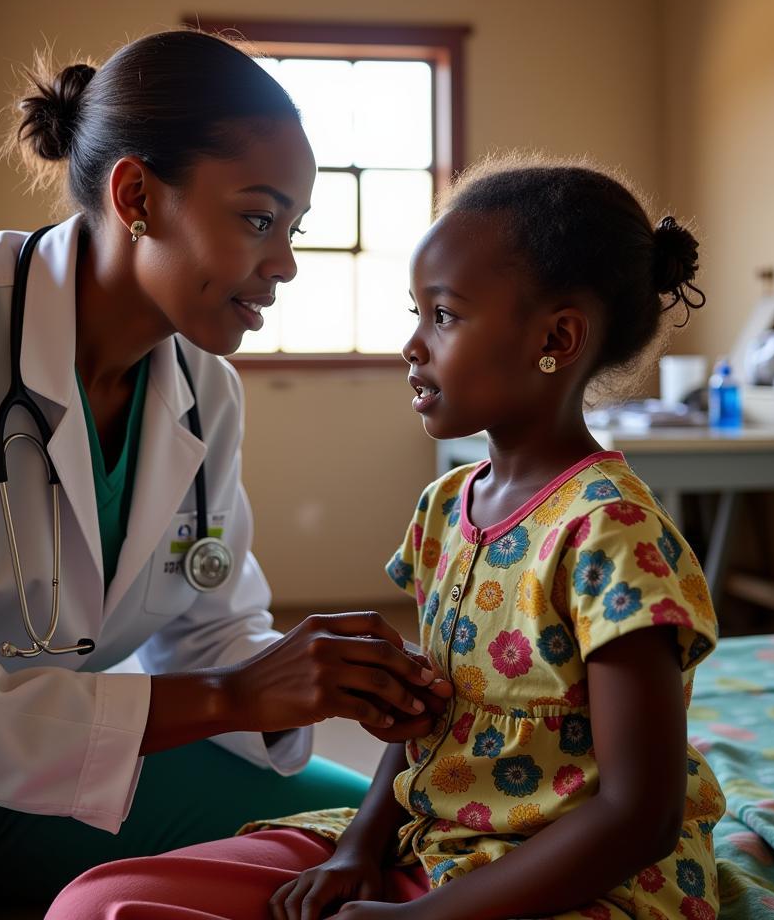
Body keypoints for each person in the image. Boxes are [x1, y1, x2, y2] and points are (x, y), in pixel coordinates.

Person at [0, 29, 453, 919]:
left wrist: (329, 679)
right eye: (259, 219)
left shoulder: (203, 391)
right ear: (137, 194)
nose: (286, 264)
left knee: (409, 838)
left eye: (293, 229)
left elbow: (211, 636)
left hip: (43, 774)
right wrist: (235, 693)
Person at [44, 157, 726, 920]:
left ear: (558, 338)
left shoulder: (611, 535)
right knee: (98, 905)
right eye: (416, 313)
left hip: (565, 881)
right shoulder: (448, 508)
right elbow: (426, 714)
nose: (412, 345)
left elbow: (642, 817)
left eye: (444, 316)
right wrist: (358, 848)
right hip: (425, 844)